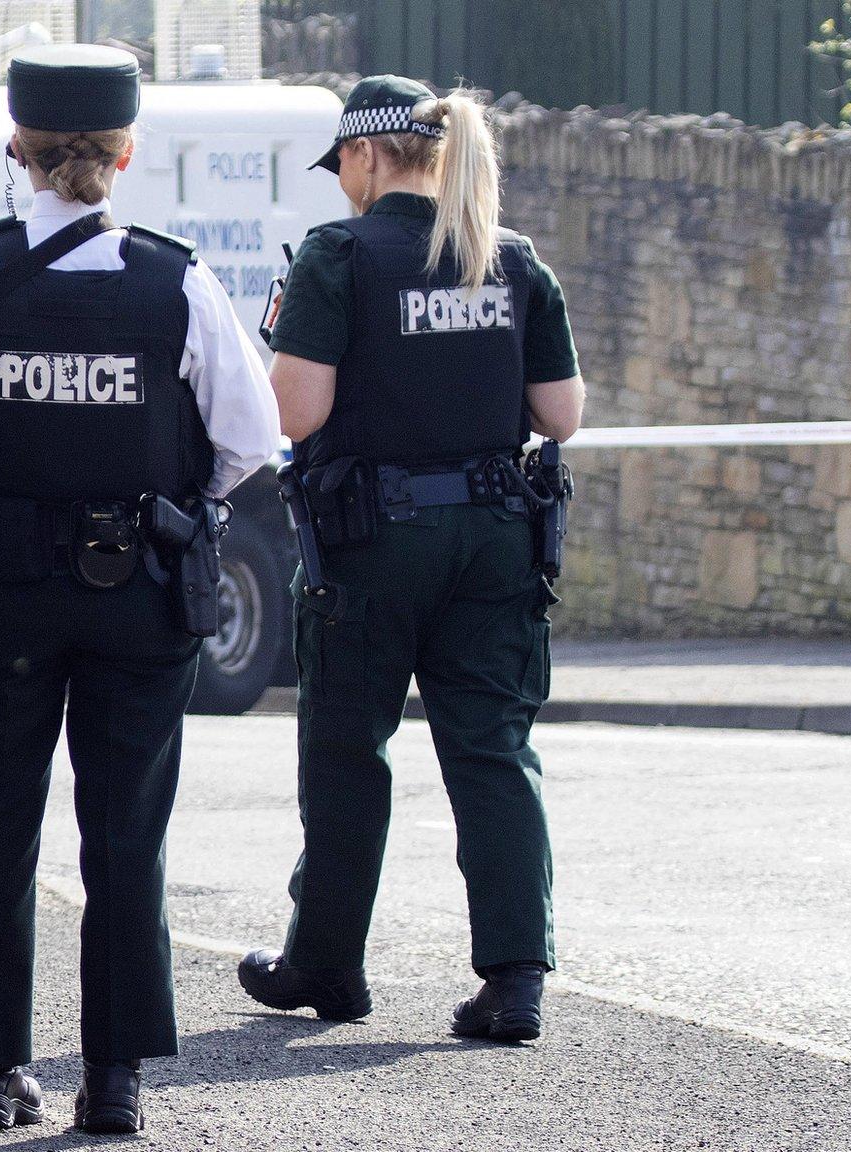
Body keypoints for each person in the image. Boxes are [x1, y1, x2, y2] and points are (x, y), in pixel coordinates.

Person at [0, 44, 278, 1135]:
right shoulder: (176, 282)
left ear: (17, 150)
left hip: (1, 600)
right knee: (124, 837)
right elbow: (249, 444)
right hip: (138, 598)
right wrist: (160, 497)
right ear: (123, 155)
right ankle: (118, 1082)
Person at [237, 76, 586, 1044]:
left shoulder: (338, 255)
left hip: (370, 543)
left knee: (348, 751)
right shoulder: (510, 260)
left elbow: (296, 413)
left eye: (339, 165)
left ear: (363, 155)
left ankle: (327, 964)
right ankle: (513, 979)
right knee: (491, 750)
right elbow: (559, 417)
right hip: (493, 541)